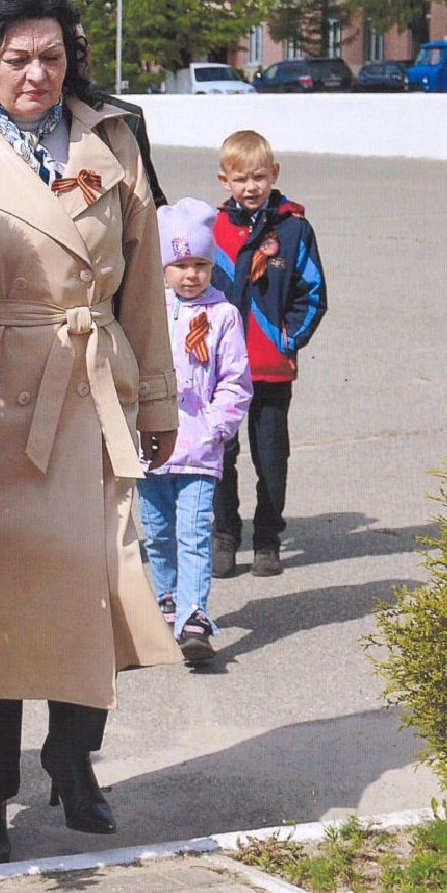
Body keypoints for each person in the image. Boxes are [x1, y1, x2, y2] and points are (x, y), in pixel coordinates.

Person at [0, 0, 181, 867]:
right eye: (16, 58)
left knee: (99, 590)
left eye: (51, 55)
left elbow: (146, 281)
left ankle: (75, 761)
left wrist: (157, 398)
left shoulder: (113, 137)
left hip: (94, 391)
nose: (36, 73)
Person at [137, 197, 252, 663]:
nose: (191, 274)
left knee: (194, 535)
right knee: (158, 533)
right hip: (152, 447)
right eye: (180, 264)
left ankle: (194, 617)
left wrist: (216, 428)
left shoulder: (223, 316)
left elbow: (235, 381)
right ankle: (167, 601)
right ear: (163, 267)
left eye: (200, 264)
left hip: (200, 448)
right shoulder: (148, 314)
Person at [210, 130, 328, 579]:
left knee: (271, 455)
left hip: (270, 368)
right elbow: (193, 286)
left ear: (274, 174)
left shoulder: (294, 228)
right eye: (241, 179)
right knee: (220, 452)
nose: (251, 187)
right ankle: (224, 534)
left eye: (259, 176)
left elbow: (312, 293)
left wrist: (287, 338)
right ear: (225, 180)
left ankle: (267, 537)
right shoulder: (215, 228)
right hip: (220, 370)